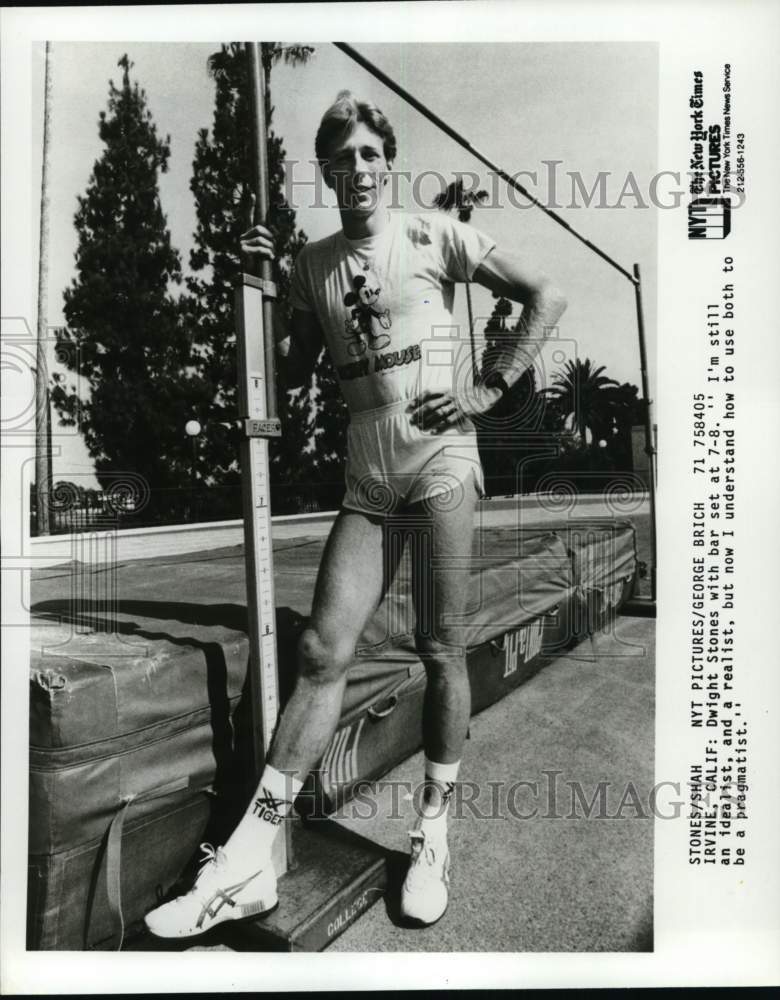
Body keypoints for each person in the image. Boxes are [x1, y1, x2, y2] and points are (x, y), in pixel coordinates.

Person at [145, 91, 566, 938]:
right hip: (368, 465)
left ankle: (435, 836)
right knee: (320, 650)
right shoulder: (310, 262)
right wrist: (259, 286)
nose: (360, 170)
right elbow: (292, 372)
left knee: (442, 646)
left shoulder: (434, 234)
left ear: (388, 162)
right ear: (327, 170)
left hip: (440, 455)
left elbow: (545, 293)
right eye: (343, 158)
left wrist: (486, 389)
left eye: (372, 154)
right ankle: (250, 861)